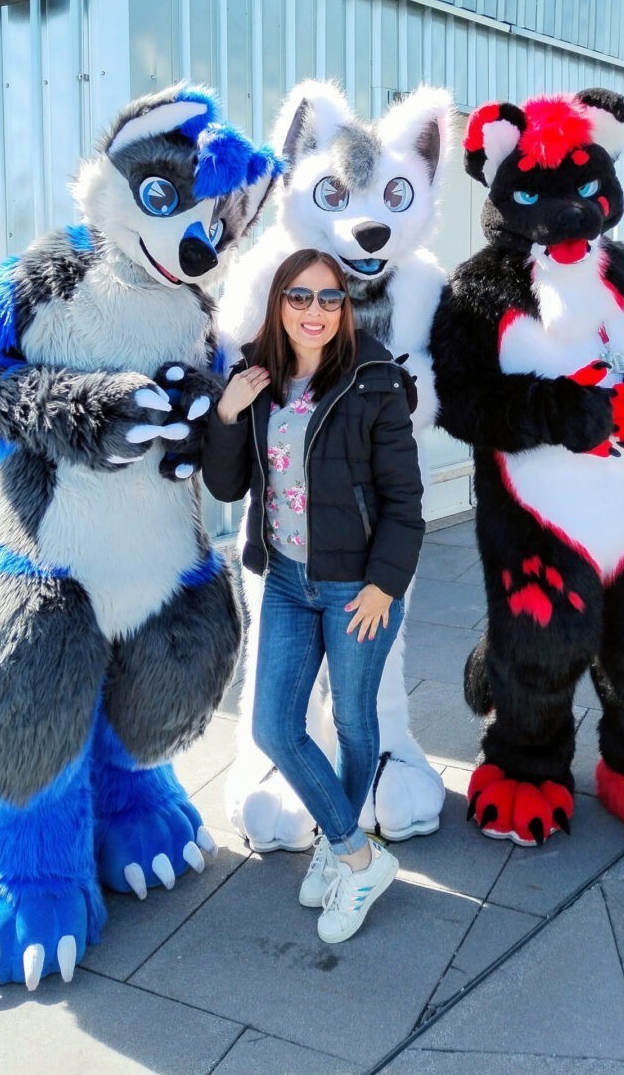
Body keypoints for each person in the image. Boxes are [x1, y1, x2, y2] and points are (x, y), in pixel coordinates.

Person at [203, 247, 425, 943]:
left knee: (355, 720)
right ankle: (358, 855)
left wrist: (385, 585)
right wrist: (228, 415)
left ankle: (341, 849)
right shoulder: (257, 379)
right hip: (287, 583)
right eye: (299, 296)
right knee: (274, 725)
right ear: (279, 303)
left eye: (330, 298)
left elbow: (405, 500)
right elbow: (227, 486)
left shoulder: (374, 379)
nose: (315, 311)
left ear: (344, 309)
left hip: (358, 587)